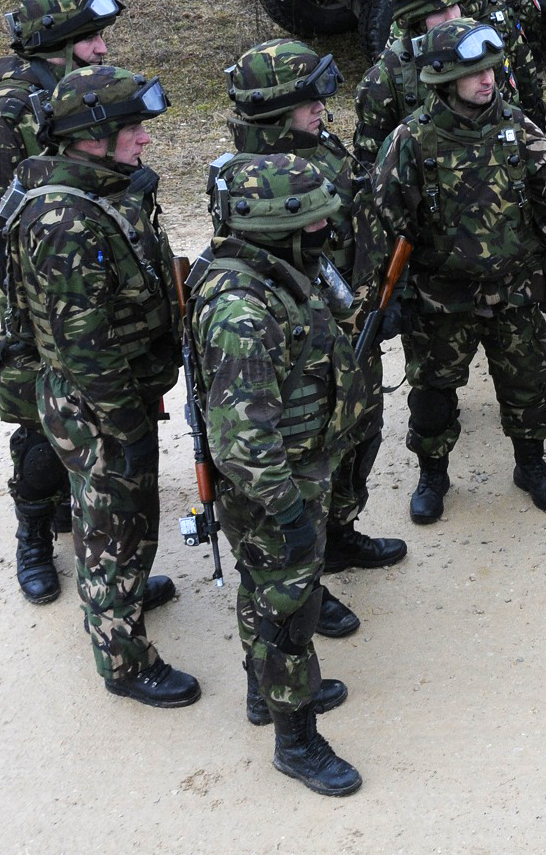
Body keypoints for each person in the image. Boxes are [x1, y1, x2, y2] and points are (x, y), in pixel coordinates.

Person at [3, 65, 194, 706]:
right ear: (92, 136)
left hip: (119, 391)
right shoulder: (66, 221)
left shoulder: (104, 191)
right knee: (112, 524)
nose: (144, 139)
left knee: (130, 515)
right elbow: (83, 349)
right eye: (132, 128)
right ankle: (125, 662)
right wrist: (128, 427)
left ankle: (130, 594)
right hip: (99, 403)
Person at [189, 154, 363, 795]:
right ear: (276, 225)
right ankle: (297, 740)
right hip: (274, 487)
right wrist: (288, 512)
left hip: (293, 473)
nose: (328, 231)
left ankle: (265, 694)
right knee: (290, 609)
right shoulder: (244, 310)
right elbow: (243, 438)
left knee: (260, 590)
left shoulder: (278, 271)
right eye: (317, 222)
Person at [225, 40, 408, 629]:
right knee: (314, 456)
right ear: (278, 111)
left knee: (361, 432)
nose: (323, 110)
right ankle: (311, 573)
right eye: (311, 101)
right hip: (313, 342)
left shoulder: (310, 143)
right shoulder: (258, 177)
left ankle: (340, 531)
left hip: (355, 316)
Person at [373, 19, 546, 524]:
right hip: (441, 298)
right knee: (433, 393)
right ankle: (433, 473)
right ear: (444, 78)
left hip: (514, 292)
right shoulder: (412, 141)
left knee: (528, 383)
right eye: (474, 73)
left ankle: (531, 466)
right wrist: (394, 296)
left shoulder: (518, 129)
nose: (487, 80)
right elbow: (384, 221)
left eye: (491, 69)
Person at [0, 0, 123, 604]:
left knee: (102, 396)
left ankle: (84, 515)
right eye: (92, 39)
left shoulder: (89, 89)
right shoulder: (7, 109)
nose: (105, 48)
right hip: (37, 285)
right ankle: (34, 533)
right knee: (39, 409)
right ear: (57, 46)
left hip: (98, 269)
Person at [351, 0, 470, 171]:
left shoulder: (476, 52)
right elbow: (370, 166)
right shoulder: (383, 79)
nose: (452, 18)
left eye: (455, 6)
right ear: (416, 20)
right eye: (440, 11)